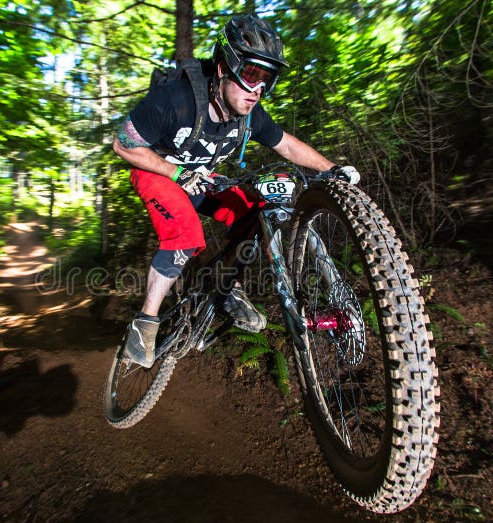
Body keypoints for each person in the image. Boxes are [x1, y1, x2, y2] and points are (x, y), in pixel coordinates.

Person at [113, 14, 360, 368]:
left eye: (266, 80)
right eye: (250, 75)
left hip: (199, 179)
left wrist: (332, 169)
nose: (257, 89)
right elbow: (123, 146)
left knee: (256, 210)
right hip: (157, 171)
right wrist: (174, 171)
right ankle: (145, 324)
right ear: (224, 67)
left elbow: (287, 145)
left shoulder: (249, 115)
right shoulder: (174, 100)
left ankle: (226, 287)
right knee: (185, 236)